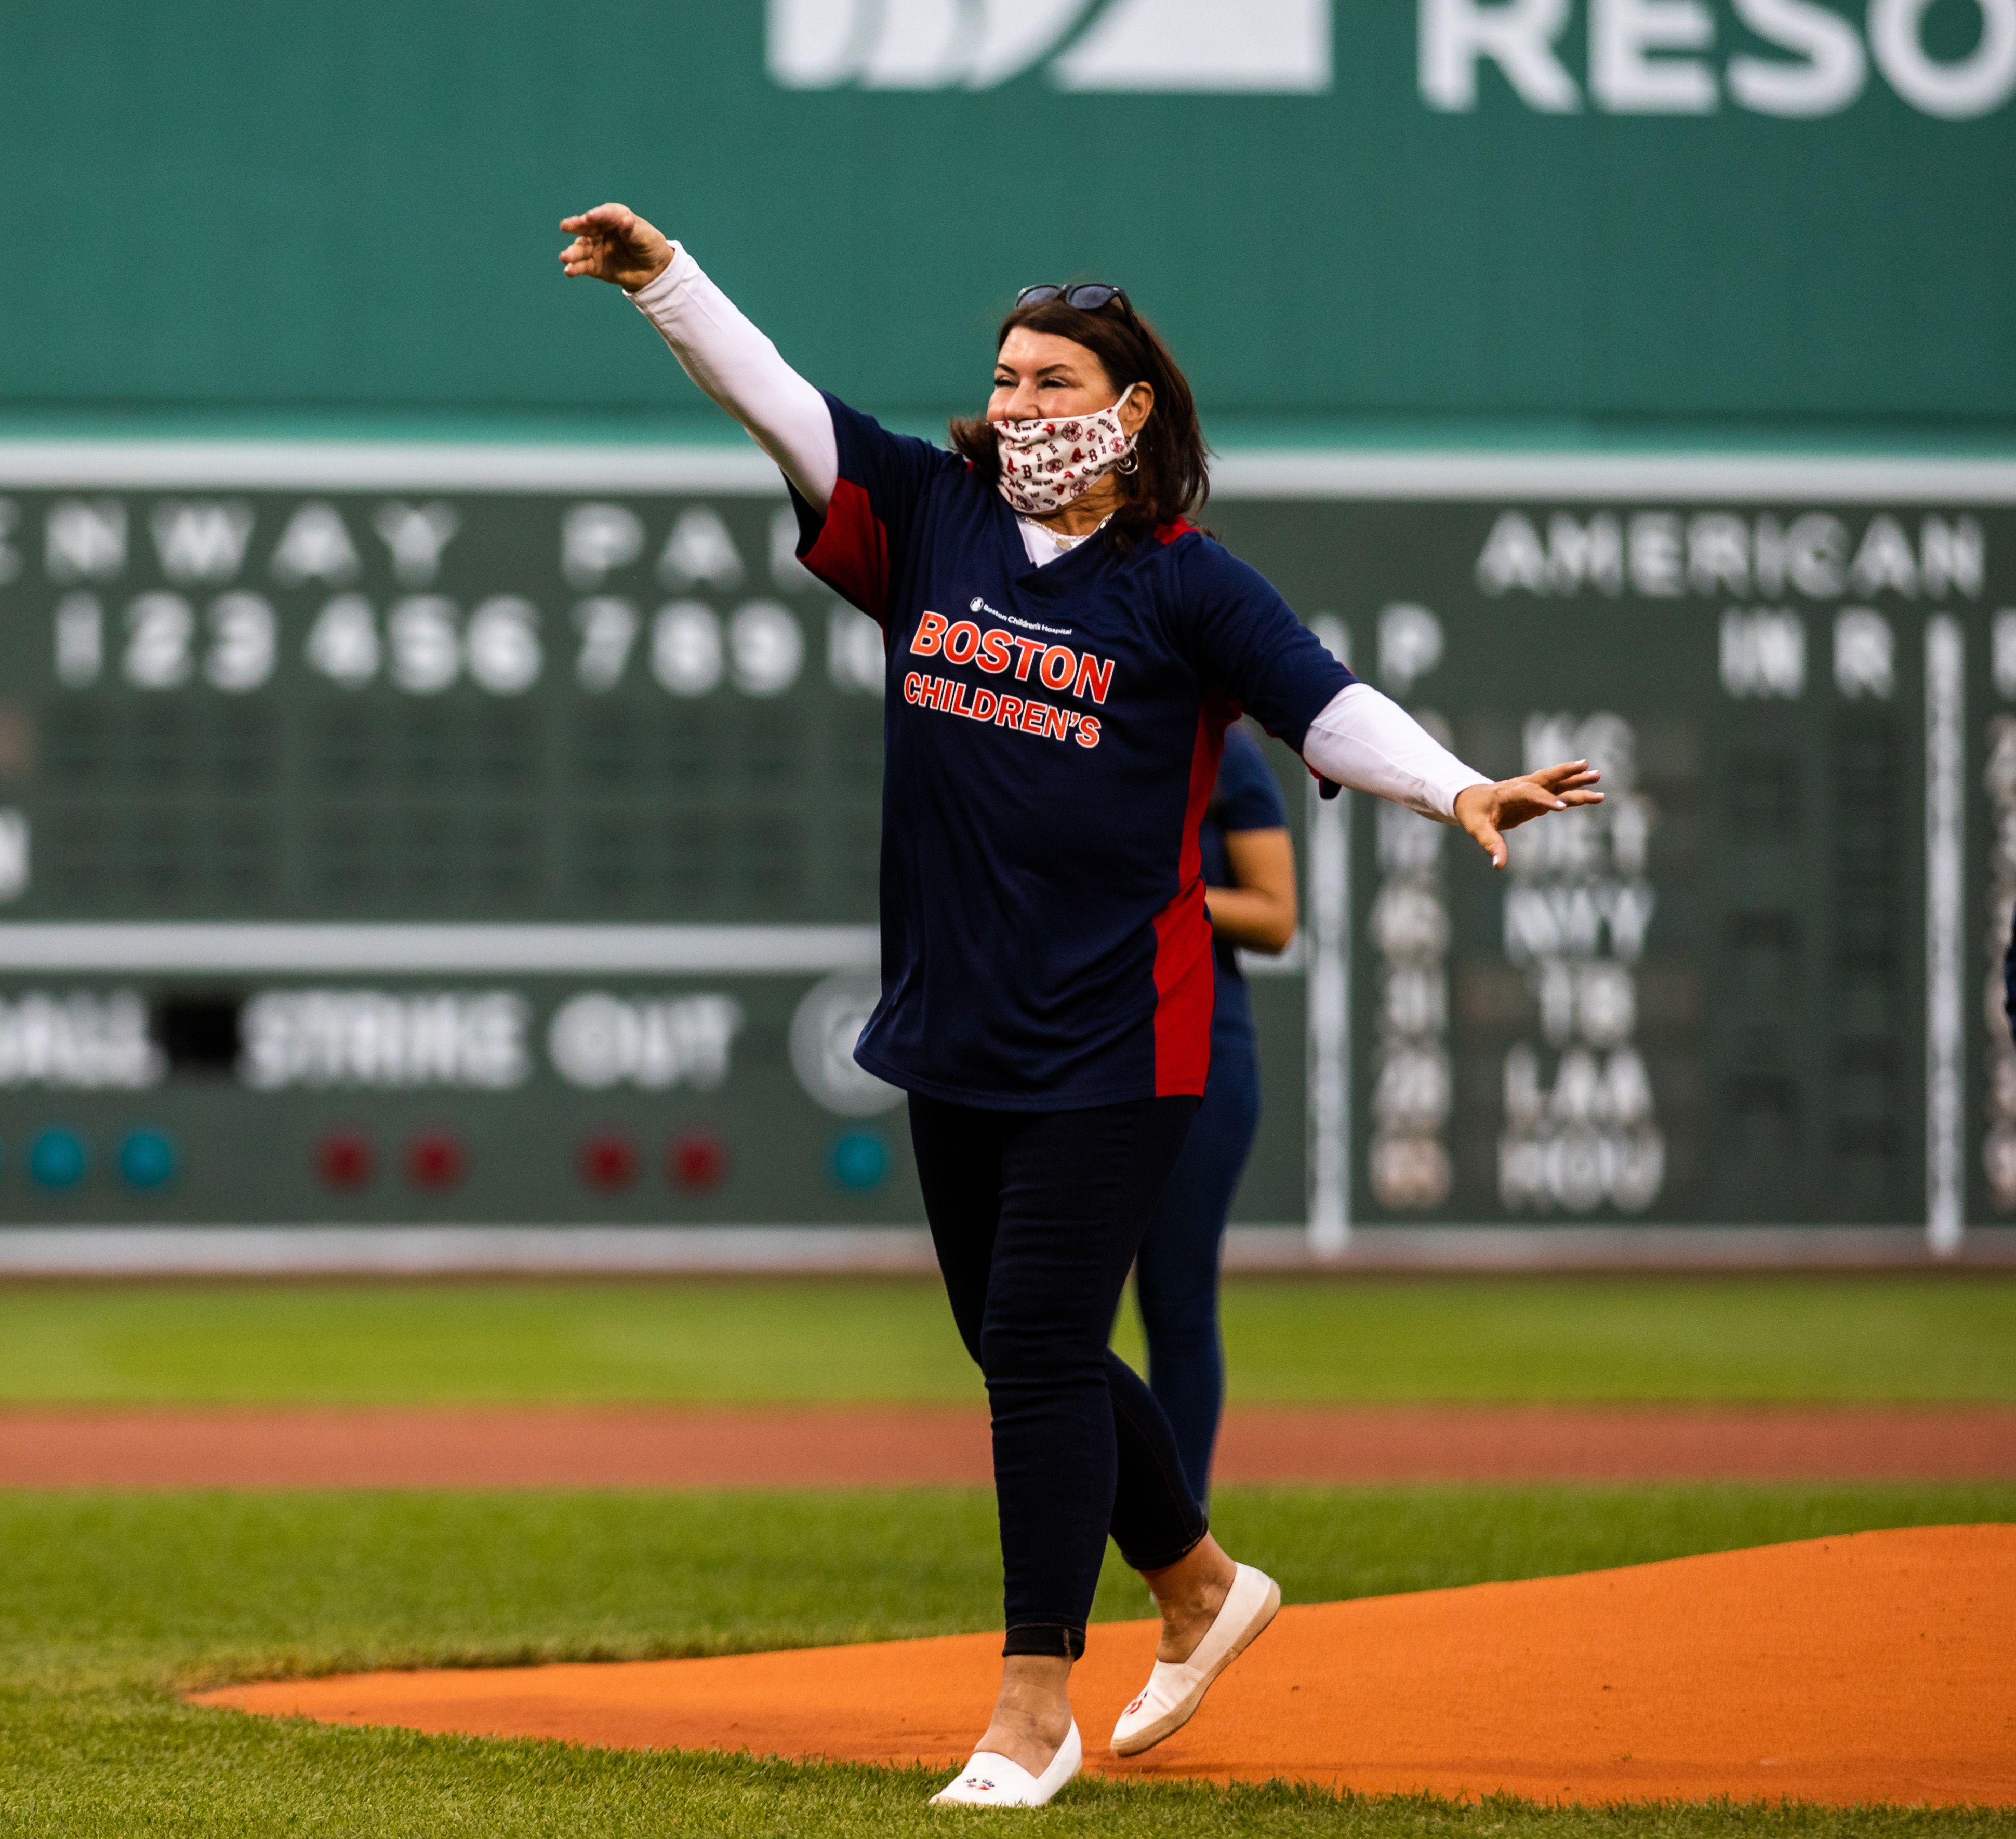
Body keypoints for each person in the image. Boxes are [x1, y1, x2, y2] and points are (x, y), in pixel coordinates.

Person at [559, 203, 1602, 1809]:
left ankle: (1027, 1705)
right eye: (1006, 376)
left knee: (1039, 1338)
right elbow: (774, 395)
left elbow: (1320, 701)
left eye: (1055, 380)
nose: (1022, 403)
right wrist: (667, 285)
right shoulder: (928, 519)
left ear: (1128, 413)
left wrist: (1452, 785)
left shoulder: (1180, 584)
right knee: (1009, 1338)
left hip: (1118, 1035)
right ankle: (1196, 1583)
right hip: (953, 1021)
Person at [1135, 724, 1293, 1509]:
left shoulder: (1224, 752)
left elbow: (1276, 916)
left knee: (1178, 1300)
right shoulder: (1063, 719)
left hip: (1200, 1047)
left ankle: (1179, 1531)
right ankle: (1079, 1521)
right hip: (1068, 1049)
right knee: (1050, 1320)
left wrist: (1161, 895)